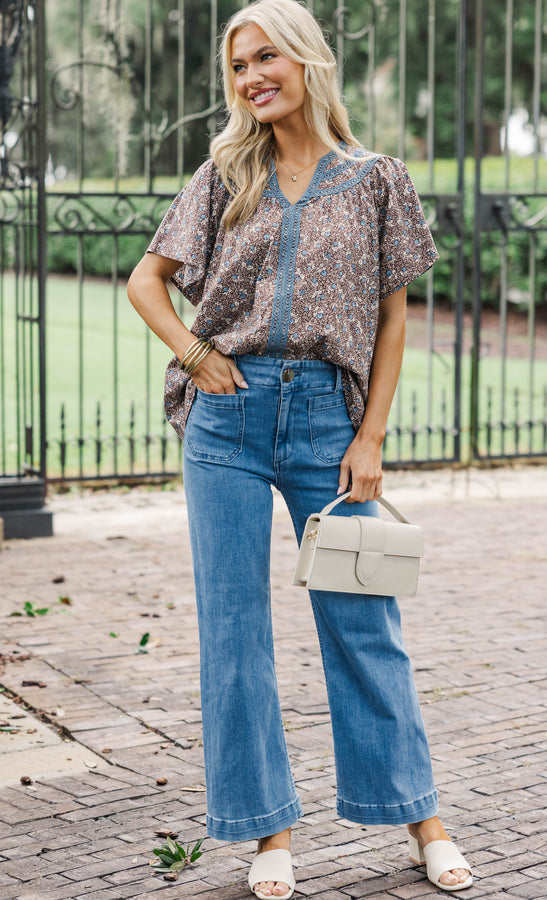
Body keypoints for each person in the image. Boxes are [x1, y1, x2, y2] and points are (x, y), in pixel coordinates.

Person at [127, 1, 473, 896]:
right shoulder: (224, 173)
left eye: (265, 57)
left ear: (308, 59)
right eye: (238, 66)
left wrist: (372, 436)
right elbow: (146, 282)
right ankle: (268, 835)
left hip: (328, 420)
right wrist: (195, 355)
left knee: (364, 622)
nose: (251, 78)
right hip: (228, 423)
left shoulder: (376, 178)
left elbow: (392, 318)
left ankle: (422, 818)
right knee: (234, 634)